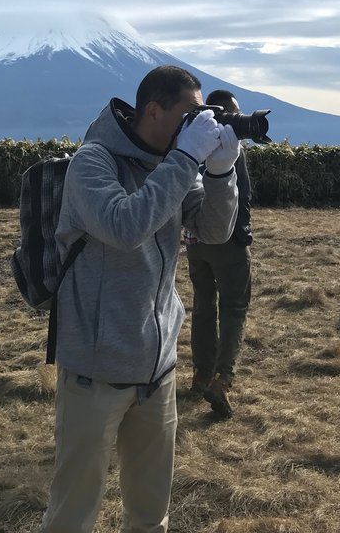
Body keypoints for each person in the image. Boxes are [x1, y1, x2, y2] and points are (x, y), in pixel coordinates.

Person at [38, 64, 240, 533]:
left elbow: (213, 231)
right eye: (189, 116)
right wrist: (186, 158)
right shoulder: (93, 162)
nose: (197, 126)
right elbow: (125, 227)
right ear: (152, 111)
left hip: (157, 369)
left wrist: (221, 172)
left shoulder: (174, 164)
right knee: (72, 514)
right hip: (95, 370)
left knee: (150, 515)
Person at [184, 89, 253, 419]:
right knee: (234, 308)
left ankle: (200, 373)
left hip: (195, 241)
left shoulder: (193, 141)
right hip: (228, 241)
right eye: (235, 113)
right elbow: (242, 193)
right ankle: (222, 380)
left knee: (203, 304)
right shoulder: (229, 145)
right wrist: (244, 233)